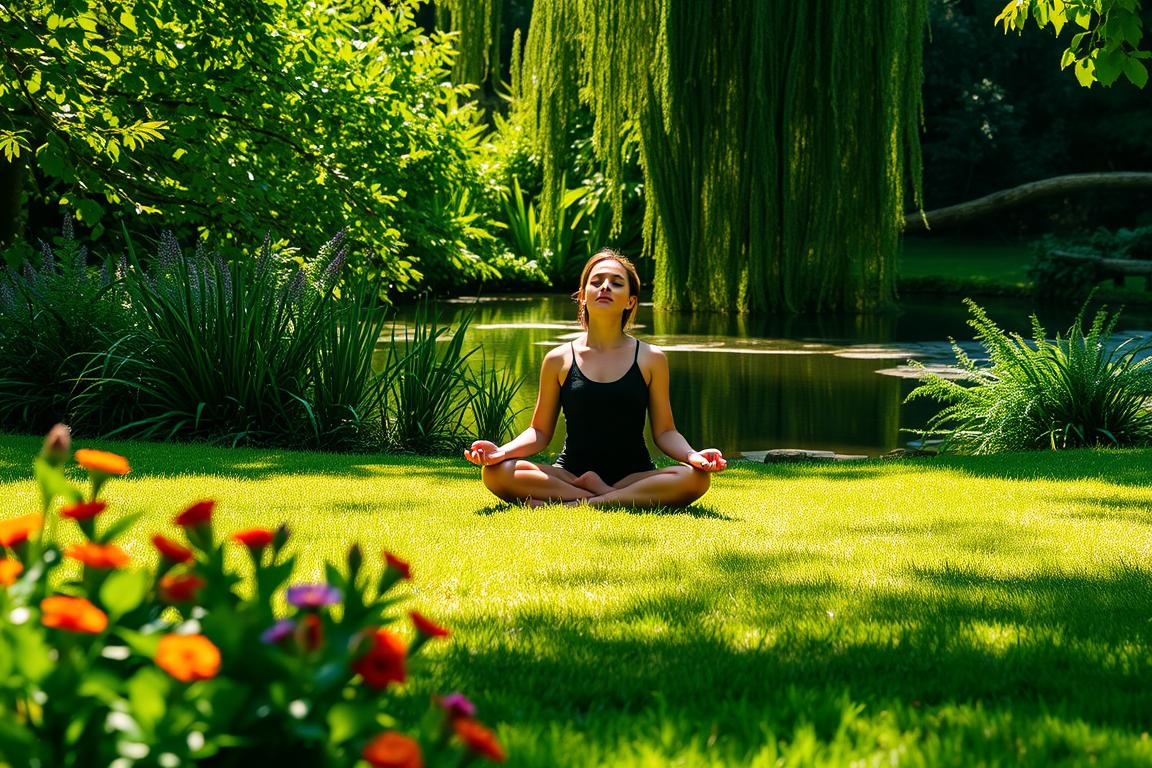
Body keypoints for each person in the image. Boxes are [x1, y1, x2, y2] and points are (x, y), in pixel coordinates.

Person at [465, 249, 727, 507]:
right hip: (572, 474)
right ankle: (604, 497)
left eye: (616, 283)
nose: (605, 287)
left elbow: (665, 432)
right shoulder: (558, 359)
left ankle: (582, 501)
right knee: (496, 473)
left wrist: (693, 456)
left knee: (696, 479)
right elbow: (540, 432)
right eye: (596, 281)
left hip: (633, 476)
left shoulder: (651, 358)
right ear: (582, 296)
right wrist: (502, 452)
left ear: (630, 301)